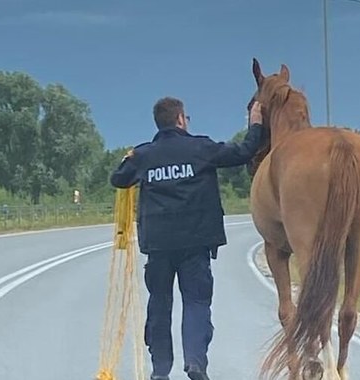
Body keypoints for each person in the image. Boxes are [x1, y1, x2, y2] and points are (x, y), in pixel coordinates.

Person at [110, 96, 264, 380]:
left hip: (158, 247)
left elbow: (119, 179)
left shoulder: (144, 155)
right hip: (195, 245)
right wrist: (256, 123)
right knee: (195, 303)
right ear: (180, 119)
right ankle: (195, 363)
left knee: (160, 303)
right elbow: (243, 152)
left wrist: (129, 158)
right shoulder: (201, 148)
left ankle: (160, 370)